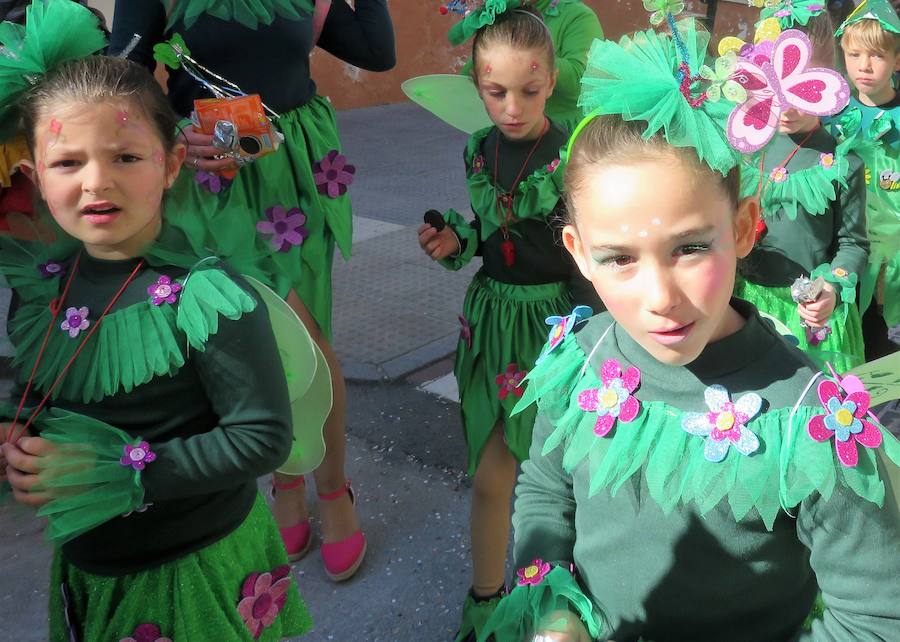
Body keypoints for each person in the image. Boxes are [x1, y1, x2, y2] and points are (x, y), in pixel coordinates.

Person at [478, 13, 900, 642]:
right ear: (577, 251)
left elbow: (873, 614)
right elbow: (545, 488)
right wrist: (556, 609)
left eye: (690, 248)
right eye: (618, 258)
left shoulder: (813, 420)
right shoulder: (579, 362)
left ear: (741, 228)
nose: (660, 299)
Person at [0, 3, 311, 640]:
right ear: (33, 174)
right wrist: (16, 434)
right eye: (68, 163)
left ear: (170, 165)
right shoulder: (44, 291)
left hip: (193, 574)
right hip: (91, 567)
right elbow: (40, 391)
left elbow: (261, 438)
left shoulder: (205, 298)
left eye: (126, 158)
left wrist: (125, 470)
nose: (96, 183)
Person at [109, 0, 396, 581]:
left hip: (293, 172)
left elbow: (376, 52)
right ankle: (284, 478)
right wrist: (167, 137)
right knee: (256, 341)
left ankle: (332, 489)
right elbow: (122, 80)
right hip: (212, 185)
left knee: (311, 341)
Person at [418, 3, 590, 639]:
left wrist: (593, 331)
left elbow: (590, 246)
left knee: (560, 477)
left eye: (529, 89)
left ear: (550, 79)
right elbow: (485, 232)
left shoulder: (572, 151)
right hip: (490, 325)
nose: (512, 106)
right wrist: (452, 241)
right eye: (495, 91)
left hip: (558, 327)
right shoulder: (475, 149)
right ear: (476, 84)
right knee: (493, 475)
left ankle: (559, 606)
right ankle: (487, 603)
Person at [734, 5, 869, 372]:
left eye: (803, 89)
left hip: (807, 317)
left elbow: (853, 244)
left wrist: (832, 287)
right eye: (775, 88)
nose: (787, 107)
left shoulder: (842, 162)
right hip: (745, 310)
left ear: (828, 80)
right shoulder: (744, 148)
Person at [833, 0, 900, 361]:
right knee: (850, 340)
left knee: (890, 349)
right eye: (854, 54)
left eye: (876, 55)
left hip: (896, 261)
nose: (864, 65)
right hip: (848, 250)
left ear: (897, 61)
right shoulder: (833, 117)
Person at [453, 0, 604, 128]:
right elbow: (468, 82)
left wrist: (529, 56)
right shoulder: (502, 15)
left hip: (564, 137)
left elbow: (581, 83)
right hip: (510, 130)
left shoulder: (577, 16)